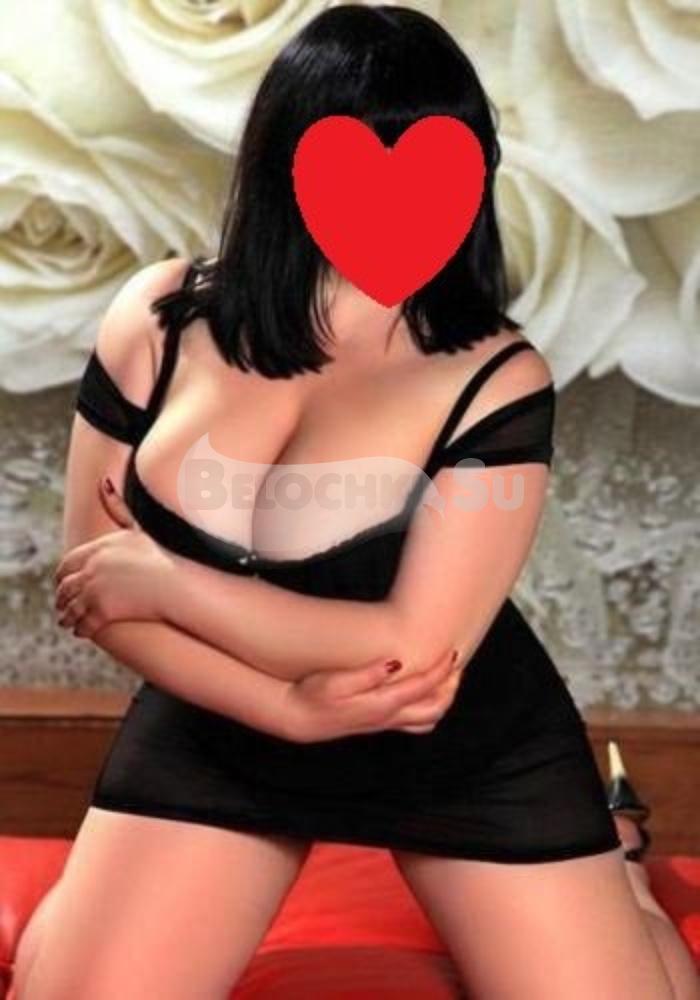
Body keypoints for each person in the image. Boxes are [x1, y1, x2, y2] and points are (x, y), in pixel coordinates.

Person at [13, 5, 697, 998]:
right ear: (282, 165)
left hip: (452, 744)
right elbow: (92, 592)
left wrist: (167, 580)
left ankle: (620, 867)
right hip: (218, 712)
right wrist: (285, 711)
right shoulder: (158, 319)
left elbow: (411, 652)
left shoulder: (494, 375)